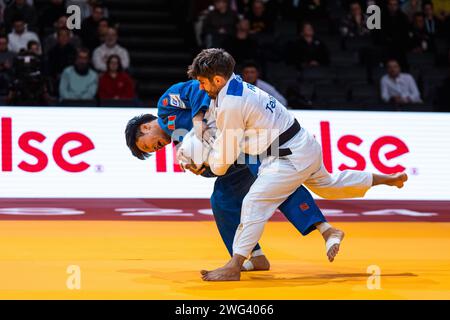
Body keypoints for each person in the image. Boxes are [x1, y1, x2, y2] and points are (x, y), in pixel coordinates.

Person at [187, 48, 408, 281]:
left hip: (288, 158)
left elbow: (225, 156)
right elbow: (225, 134)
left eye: (203, 82)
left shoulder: (231, 102)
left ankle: (234, 265)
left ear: (218, 79)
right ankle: (385, 178)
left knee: (254, 201)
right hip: (303, 145)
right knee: (329, 186)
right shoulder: (234, 86)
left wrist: (208, 166)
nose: (201, 87)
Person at [125, 80, 337, 271]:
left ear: (145, 127)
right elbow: (215, 167)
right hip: (235, 157)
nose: (156, 149)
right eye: (152, 151)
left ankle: (325, 229)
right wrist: (202, 170)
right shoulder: (180, 145)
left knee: (271, 177)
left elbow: (196, 87)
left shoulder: (166, 105)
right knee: (221, 198)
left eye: (148, 145)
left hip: (251, 138)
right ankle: (255, 255)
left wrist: (198, 120)